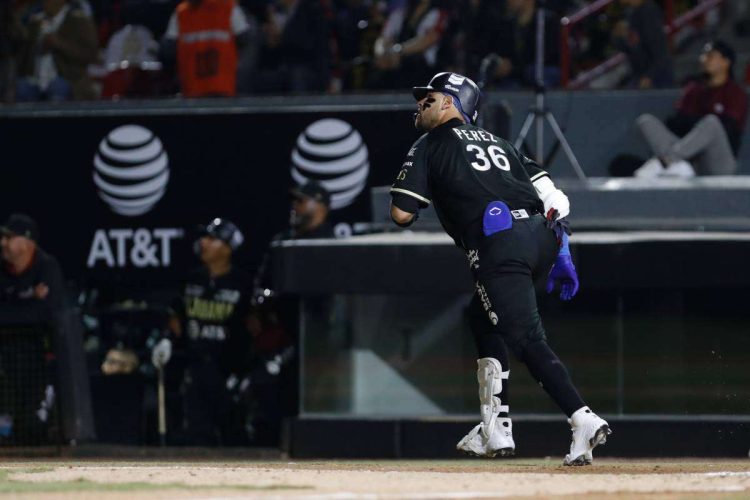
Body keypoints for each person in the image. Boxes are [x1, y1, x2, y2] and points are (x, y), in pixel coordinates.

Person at [389, 71, 611, 465]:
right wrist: (562, 251)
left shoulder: (430, 142)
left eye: (428, 98)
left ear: (449, 103)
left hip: (500, 238)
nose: (419, 104)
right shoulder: (501, 143)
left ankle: (582, 418)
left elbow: (402, 213)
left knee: (525, 337)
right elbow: (553, 195)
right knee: (482, 315)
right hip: (541, 237)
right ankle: (495, 427)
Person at [152, 217, 255, 445]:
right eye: (204, 237)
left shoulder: (243, 284)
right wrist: (167, 340)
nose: (204, 243)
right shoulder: (192, 279)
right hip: (196, 367)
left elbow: (254, 328)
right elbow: (176, 316)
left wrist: (248, 368)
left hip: (229, 371)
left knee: (233, 434)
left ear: (228, 248)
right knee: (196, 434)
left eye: (212, 238)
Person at [634, 40, 748, 177]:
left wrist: (694, 122)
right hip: (689, 158)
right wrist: (693, 124)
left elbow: (728, 129)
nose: (704, 60)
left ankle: (667, 161)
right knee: (645, 121)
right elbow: (676, 124)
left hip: (718, 163)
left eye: (710, 56)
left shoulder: (735, 92)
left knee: (711, 123)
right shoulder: (694, 89)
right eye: (703, 55)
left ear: (726, 62)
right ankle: (677, 165)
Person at [162, 0, 252, 97]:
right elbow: (245, 39)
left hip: (197, 89)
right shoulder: (228, 7)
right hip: (219, 88)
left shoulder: (181, 12)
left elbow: (168, 49)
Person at [13, 0, 98, 101]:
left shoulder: (79, 20)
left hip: (69, 79)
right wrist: (37, 46)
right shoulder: (35, 22)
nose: (45, 3)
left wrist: (59, 44)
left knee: (58, 87)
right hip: (36, 80)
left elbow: (90, 55)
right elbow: (22, 54)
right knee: (21, 87)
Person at [0, 213, 65, 322]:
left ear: (27, 242)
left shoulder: (46, 266)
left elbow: (46, 313)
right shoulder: (2, 266)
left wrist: (11, 306)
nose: (2, 242)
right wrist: (32, 298)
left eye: (9, 237)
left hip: (38, 336)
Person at [370, 0, 449, 90]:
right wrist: (381, 54)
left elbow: (429, 39)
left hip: (425, 74)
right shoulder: (399, 14)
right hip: (396, 70)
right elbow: (383, 39)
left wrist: (397, 51)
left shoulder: (437, 14)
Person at [614, 0, 673, 89]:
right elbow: (631, 48)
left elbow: (660, 50)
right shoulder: (630, 13)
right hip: (639, 75)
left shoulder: (649, 11)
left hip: (657, 77)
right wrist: (619, 37)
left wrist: (650, 76)